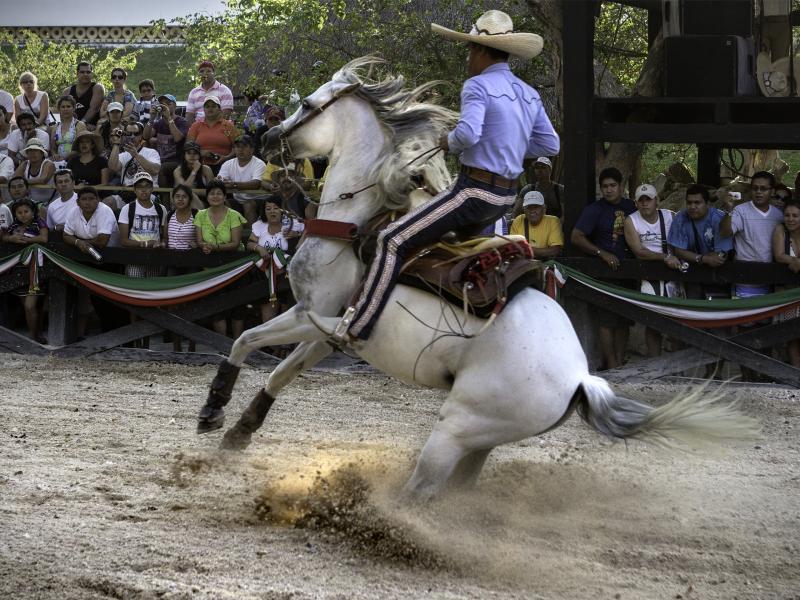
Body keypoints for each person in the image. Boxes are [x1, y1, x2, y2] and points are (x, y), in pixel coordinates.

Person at [332, 10, 559, 343]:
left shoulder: (477, 85)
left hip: (474, 193)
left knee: (391, 239)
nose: (468, 58)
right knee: (445, 247)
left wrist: (446, 141)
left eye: (470, 50)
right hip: (506, 198)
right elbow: (549, 144)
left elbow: (467, 135)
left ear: (480, 51)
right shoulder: (528, 93)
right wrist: (508, 146)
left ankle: (358, 327)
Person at [571, 167, 637, 369]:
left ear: (621, 186)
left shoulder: (631, 207)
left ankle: (620, 360)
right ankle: (611, 363)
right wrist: (601, 253)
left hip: (630, 271)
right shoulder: (594, 210)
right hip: (605, 274)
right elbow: (576, 237)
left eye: (612, 186)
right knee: (607, 321)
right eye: (605, 186)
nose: (609, 190)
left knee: (625, 320)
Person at [623, 183, 683, 357]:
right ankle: (655, 362)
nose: (644, 203)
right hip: (649, 274)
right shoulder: (631, 221)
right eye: (641, 200)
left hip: (673, 272)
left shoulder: (670, 216)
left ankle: (676, 365)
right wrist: (664, 257)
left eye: (648, 199)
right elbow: (639, 251)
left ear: (657, 200)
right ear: (636, 203)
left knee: (677, 320)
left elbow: (679, 242)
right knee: (653, 321)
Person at [194, 179, 246, 338]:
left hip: (234, 267)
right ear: (207, 197)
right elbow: (199, 240)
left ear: (225, 196)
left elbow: (235, 243)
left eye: (219, 193)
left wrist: (214, 247)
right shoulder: (200, 215)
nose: (215, 196)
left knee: (237, 306)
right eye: (211, 193)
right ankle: (222, 345)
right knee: (216, 308)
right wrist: (203, 245)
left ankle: (236, 343)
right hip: (210, 269)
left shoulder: (234, 215)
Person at [668, 184, 734, 299]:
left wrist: (693, 256)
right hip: (691, 275)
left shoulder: (719, 218)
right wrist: (704, 258)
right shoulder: (680, 218)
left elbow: (721, 255)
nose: (692, 206)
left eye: (697, 203)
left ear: (707, 204)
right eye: (689, 203)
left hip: (718, 276)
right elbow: (678, 251)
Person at [247, 198, 303, 323]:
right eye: (268, 209)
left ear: (282, 211)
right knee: (267, 318)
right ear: (264, 212)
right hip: (265, 277)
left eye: (276, 208)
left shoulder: (292, 224)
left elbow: (309, 231)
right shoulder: (260, 225)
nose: (272, 211)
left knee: (287, 316)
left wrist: (298, 235)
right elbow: (249, 243)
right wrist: (259, 248)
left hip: (286, 277)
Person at [2, 198, 48, 343]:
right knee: (27, 306)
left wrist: (26, 240)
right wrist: (12, 239)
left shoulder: (38, 222)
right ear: (15, 214)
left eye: (26, 211)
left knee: (30, 306)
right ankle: (36, 336)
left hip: (35, 270)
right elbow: (4, 236)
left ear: (33, 211)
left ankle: (33, 337)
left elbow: (44, 238)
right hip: (19, 271)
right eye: (19, 212)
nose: (23, 215)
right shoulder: (14, 225)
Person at [118, 171, 166, 276]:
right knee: (134, 287)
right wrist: (144, 244)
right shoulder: (127, 209)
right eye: (139, 187)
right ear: (134, 190)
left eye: (147, 186)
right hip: (134, 256)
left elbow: (165, 237)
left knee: (154, 286)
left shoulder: (161, 209)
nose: (144, 190)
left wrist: (162, 244)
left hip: (155, 256)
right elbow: (123, 241)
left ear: (152, 188)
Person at [772, 199, 800, 367]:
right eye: (787, 215)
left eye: (795, 216)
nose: (790, 219)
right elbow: (779, 255)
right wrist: (794, 260)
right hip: (787, 294)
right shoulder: (780, 229)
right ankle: (796, 373)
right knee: (792, 334)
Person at [218, 134, 268, 223]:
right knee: (221, 203)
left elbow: (256, 184)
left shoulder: (259, 164)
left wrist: (233, 184)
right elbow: (219, 180)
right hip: (239, 200)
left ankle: (251, 235)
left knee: (248, 204)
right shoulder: (228, 164)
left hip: (260, 200)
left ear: (252, 149)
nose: (240, 150)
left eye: (244, 146)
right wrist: (221, 182)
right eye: (237, 147)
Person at [143, 93, 188, 188]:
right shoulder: (159, 123)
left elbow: (178, 138)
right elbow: (146, 136)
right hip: (160, 160)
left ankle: (165, 198)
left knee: (161, 168)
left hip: (177, 161)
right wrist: (151, 118)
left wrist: (169, 118)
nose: (165, 106)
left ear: (175, 106)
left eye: (168, 104)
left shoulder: (182, 122)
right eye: (162, 104)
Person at [108, 121, 161, 200]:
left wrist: (136, 155)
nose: (132, 136)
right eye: (129, 134)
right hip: (127, 193)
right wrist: (116, 144)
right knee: (108, 201)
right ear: (124, 135)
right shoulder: (123, 155)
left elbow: (155, 170)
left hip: (148, 193)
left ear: (141, 136)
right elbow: (112, 167)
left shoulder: (151, 152)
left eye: (136, 134)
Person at [186, 95, 237, 173]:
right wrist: (201, 153)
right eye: (207, 106)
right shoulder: (196, 126)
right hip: (199, 165)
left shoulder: (228, 125)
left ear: (219, 109)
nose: (210, 109)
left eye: (213, 106)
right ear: (204, 109)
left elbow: (237, 147)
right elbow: (188, 147)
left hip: (224, 165)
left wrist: (226, 157)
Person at [509, 190, 563, 258]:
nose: (532, 211)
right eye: (529, 207)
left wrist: (526, 249)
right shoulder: (518, 221)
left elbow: (555, 250)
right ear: (524, 210)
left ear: (544, 209)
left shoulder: (553, 221)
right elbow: (513, 249)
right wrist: (541, 251)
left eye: (536, 207)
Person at [13, 138, 55, 206]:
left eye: (36, 150)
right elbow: (14, 180)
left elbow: (43, 180)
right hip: (32, 202)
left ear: (42, 153)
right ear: (27, 154)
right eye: (30, 151)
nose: (33, 153)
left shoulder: (49, 164)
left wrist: (23, 182)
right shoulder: (25, 164)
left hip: (51, 201)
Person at [62, 61, 104, 129]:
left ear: (92, 74)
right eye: (82, 72)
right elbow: (62, 110)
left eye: (88, 72)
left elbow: (93, 109)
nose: (85, 74)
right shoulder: (67, 91)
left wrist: (81, 124)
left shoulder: (97, 88)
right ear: (77, 74)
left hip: (91, 126)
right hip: (71, 125)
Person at [173, 141, 213, 208]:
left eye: (195, 153)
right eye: (189, 153)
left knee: (192, 196)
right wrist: (194, 171)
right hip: (183, 201)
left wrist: (192, 192)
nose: (192, 156)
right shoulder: (178, 171)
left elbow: (212, 192)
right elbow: (184, 190)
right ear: (184, 155)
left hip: (203, 202)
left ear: (199, 155)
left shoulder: (206, 170)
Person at [50, 95, 87, 165]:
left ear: (73, 108)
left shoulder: (79, 125)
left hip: (76, 160)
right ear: (59, 109)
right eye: (63, 107)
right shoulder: (55, 127)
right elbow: (53, 148)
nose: (65, 109)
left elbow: (82, 147)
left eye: (68, 106)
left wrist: (65, 158)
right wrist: (54, 154)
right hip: (59, 161)